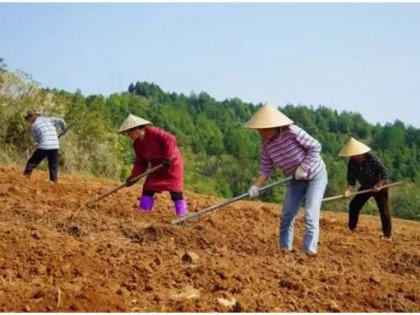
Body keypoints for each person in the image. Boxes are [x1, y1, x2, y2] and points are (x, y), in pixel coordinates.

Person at [246, 103, 328, 256]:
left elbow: (316, 147)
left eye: (263, 129)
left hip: (315, 176)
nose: (260, 132)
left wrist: (304, 167)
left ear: (273, 126)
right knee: (287, 215)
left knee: (310, 213)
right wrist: (255, 186)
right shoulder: (266, 145)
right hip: (295, 179)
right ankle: (285, 250)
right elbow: (265, 169)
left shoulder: (292, 132)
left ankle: (309, 251)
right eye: (258, 129)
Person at [118, 114, 188, 217]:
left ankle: (182, 215)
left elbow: (170, 139)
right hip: (158, 167)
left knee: (175, 191)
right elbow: (141, 163)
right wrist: (133, 178)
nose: (129, 135)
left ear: (136, 129)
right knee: (148, 187)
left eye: (129, 132)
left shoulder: (153, 132)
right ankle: (143, 213)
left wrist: (168, 157)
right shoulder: (137, 144)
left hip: (172, 164)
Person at [339, 137, 392, 240]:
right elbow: (351, 180)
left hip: (380, 186)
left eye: (357, 156)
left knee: (384, 210)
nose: (356, 158)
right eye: (353, 156)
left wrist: (378, 185)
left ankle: (387, 235)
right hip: (365, 186)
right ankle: (351, 229)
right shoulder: (352, 163)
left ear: (361, 153)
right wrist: (348, 191)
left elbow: (384, 173)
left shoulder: (372, 158)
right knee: (354, 205)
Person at [23, 109, 67, 183]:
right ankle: (53, 181)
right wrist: (64, 130)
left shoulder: (34, 126)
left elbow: (38, 139)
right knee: (53, 164)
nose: (28, 120)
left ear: (33, 116)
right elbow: (61, 120)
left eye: (29, 118)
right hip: (55, 145)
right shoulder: (49, 119)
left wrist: (38, 144)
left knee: (32, 162)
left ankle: (25, 178)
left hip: (44, 145)